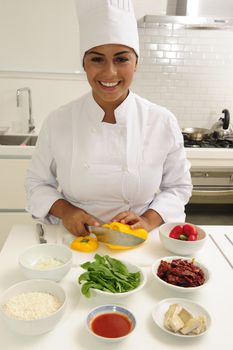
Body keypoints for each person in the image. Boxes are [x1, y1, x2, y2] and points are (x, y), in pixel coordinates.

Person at [25, 0, 192, 237]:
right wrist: (68, 211)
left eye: (121, 59)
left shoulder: (161, 121)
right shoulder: (58, 121)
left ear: (136, 63)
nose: (109, 73)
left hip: (138, 240)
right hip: (76, 239)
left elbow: (178, 186)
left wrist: (147, 220)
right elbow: (37, 183)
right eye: (97, 59)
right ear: (84, 63)